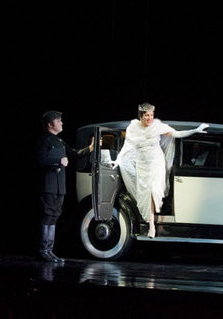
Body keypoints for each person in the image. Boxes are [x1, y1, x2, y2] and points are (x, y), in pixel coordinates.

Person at [114, 102, 209, 238]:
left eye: (151, 115)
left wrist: (195, 130)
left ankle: (152, 226)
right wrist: (118, 159)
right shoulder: (133, 128)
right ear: (141, 116)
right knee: (146, 193)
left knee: (153, 190)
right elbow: (127, 146)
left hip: (156, 163)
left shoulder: (157, 126)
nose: (150, 118)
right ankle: (150, 224)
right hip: (142, 164)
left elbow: (176, 134)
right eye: (147, 115)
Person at [36, 111, 94, 262]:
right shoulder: (45, 140)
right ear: (50, 124)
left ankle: (50, 250)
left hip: (59, 187)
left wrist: (91, 148)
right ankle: (44, 250)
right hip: (48, 186)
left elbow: (74, 154)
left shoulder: (60, 141)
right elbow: (41, 159)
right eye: (59, 121)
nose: (62, 123)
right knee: (47, 215)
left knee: (54, 216)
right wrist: (59, 161)